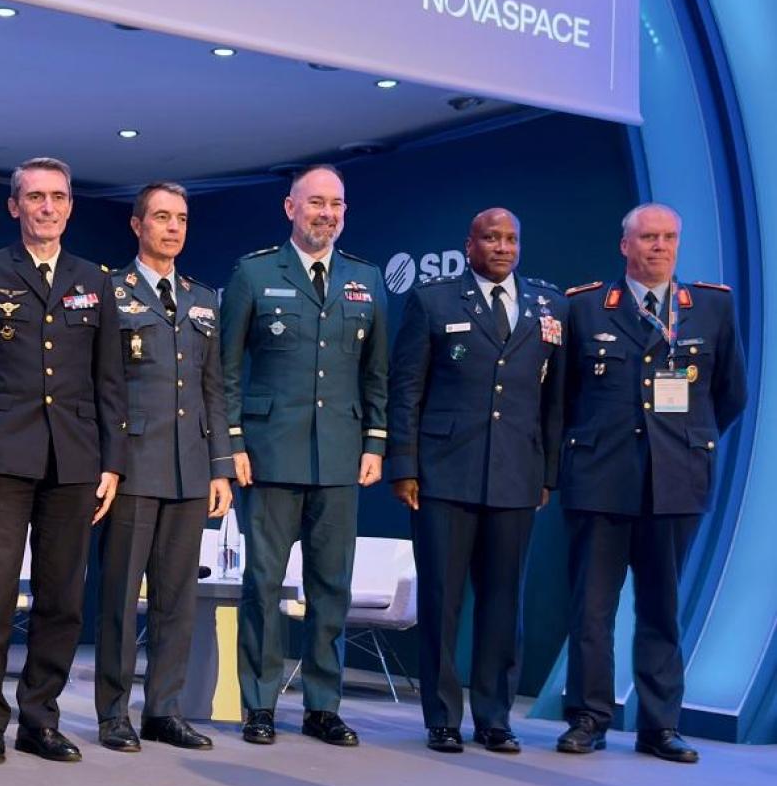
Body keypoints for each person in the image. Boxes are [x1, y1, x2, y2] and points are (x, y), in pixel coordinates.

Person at [0, 157, 126, 765]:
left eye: (58, 197)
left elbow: (109, 381)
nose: (48, 207)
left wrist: (112, 461)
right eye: (36, 197)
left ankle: (40, 718)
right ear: (14, 205)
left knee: (62, 599)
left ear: (70, 206)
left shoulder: (94, 279)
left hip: (74, 459)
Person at [556, 203, 745, 763]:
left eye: (668, 237)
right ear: (625, 245)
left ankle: (660, 726)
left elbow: (729, 394)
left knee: (662, 608)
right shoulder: (585, 307)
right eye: (647, 238)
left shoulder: (711, 307)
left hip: (675, 482)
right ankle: (588, 718)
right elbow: (562, 397)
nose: (659, 247)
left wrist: (683, 443)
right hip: (601, 480)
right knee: (592, 609)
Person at [219, 163, 388, 748]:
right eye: (316, 203)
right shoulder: (255, 272)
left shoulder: (366, 278)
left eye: (336, 204)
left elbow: (376, 374)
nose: (327, 214)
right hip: (269, 454)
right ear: (290, 208)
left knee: (331, 587)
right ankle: (260, 703)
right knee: (263, 584)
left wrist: (375, 443)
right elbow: (227, 371)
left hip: (340, 455)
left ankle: (322, 705)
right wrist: (233, 443)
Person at [387, 208, 564, 754]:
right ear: (470, 245)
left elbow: (554, 400)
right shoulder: (433, 300)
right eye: (492, 238)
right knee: (441, 601)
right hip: (444, 474)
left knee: (504, 603)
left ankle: (495, 717)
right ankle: (442, 717)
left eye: (511, 238)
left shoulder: (548, 305)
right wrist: (405, 465)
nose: (503, 247)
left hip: (516, 475)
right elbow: (406, 389)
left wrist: (547, 473)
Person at [94, 181, 234, 753]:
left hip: (189, 468)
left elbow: (213, 389)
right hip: (132, 466)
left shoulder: (204, 299)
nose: (173, 227)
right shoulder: (111, 291)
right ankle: (113, 714)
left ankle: (164, 711)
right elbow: (100, 387)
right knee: (120, 597)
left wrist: (220, 468)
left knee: (177, 599)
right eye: (161, 217)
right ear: (137, 225)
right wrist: (107, 462)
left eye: (181, 218)